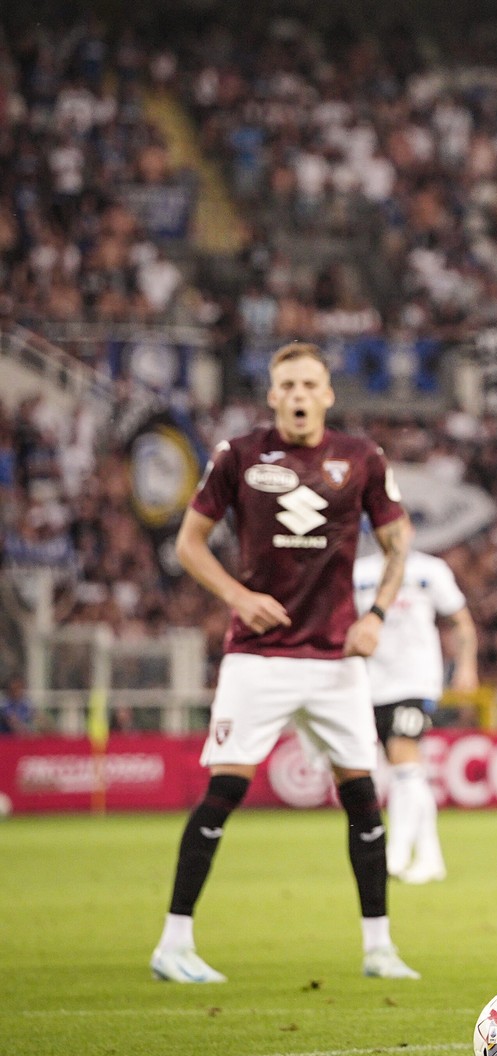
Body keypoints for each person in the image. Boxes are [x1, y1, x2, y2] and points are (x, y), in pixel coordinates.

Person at [149, 342, 419, 984]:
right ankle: (173, 943)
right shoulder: (238, 455)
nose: (299, 394)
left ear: (328, 394)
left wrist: (376, 614)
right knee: (225, 791)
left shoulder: (362, 458)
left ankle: (379, 947)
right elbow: (188, 543)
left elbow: (398, 542)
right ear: (272, 395)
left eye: (310, 384)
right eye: (287, 384)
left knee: (363, 799)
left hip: (335, 662)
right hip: (258, 659)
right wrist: (238, 596)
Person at [353, 545, 478, 884]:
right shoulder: (359, 572)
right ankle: (430, 857)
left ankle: (394, 854)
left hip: (415, 680)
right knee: (405, 772)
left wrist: (466, 666)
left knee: (404, 759)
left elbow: (460, 619)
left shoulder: (429, 570)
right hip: (370, 683)